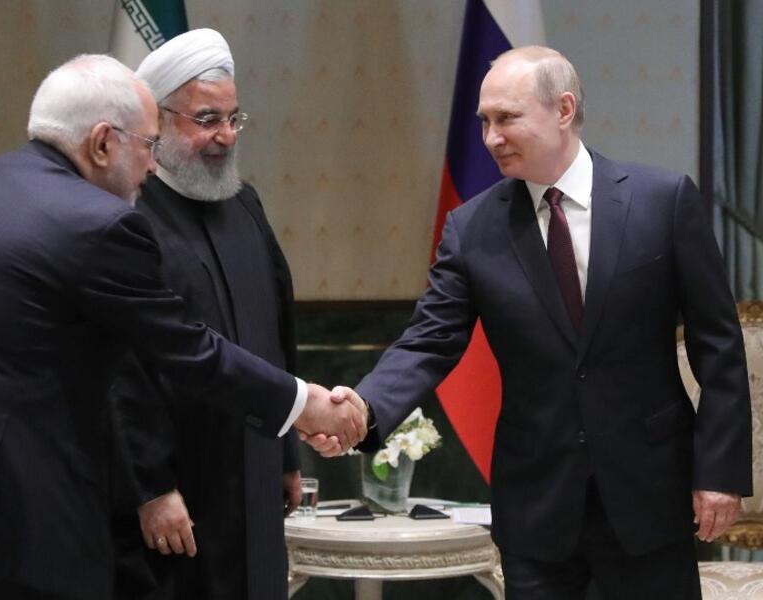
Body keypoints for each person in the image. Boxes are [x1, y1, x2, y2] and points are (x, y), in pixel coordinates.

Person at [312, 46, 753, 599]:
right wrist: (365, 407)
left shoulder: (662, 201)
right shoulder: (472, 230)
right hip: (539, 505)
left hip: (650, 493)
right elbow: (429, 339)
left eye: (506, 118)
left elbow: (718, 346)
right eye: (485, 122)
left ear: (563, 109)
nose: (491, 137)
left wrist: (719, 472)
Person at [0, 54, 366, 600]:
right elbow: (188, 349)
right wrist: (305, 405)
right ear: (103, 141)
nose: (152, 167)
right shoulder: (98, 223)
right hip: (36, 521)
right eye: (148, 145)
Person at [110, 29, 301, 600]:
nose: (224, 137)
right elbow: (122, 369)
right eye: (207, 119)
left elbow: (278, 332)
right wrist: (151, 487)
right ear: (159, 121)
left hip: (257, 470)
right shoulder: (128, 217)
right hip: (180, 486)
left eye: (233, 119)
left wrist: (287, 453)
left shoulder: (245, 203)